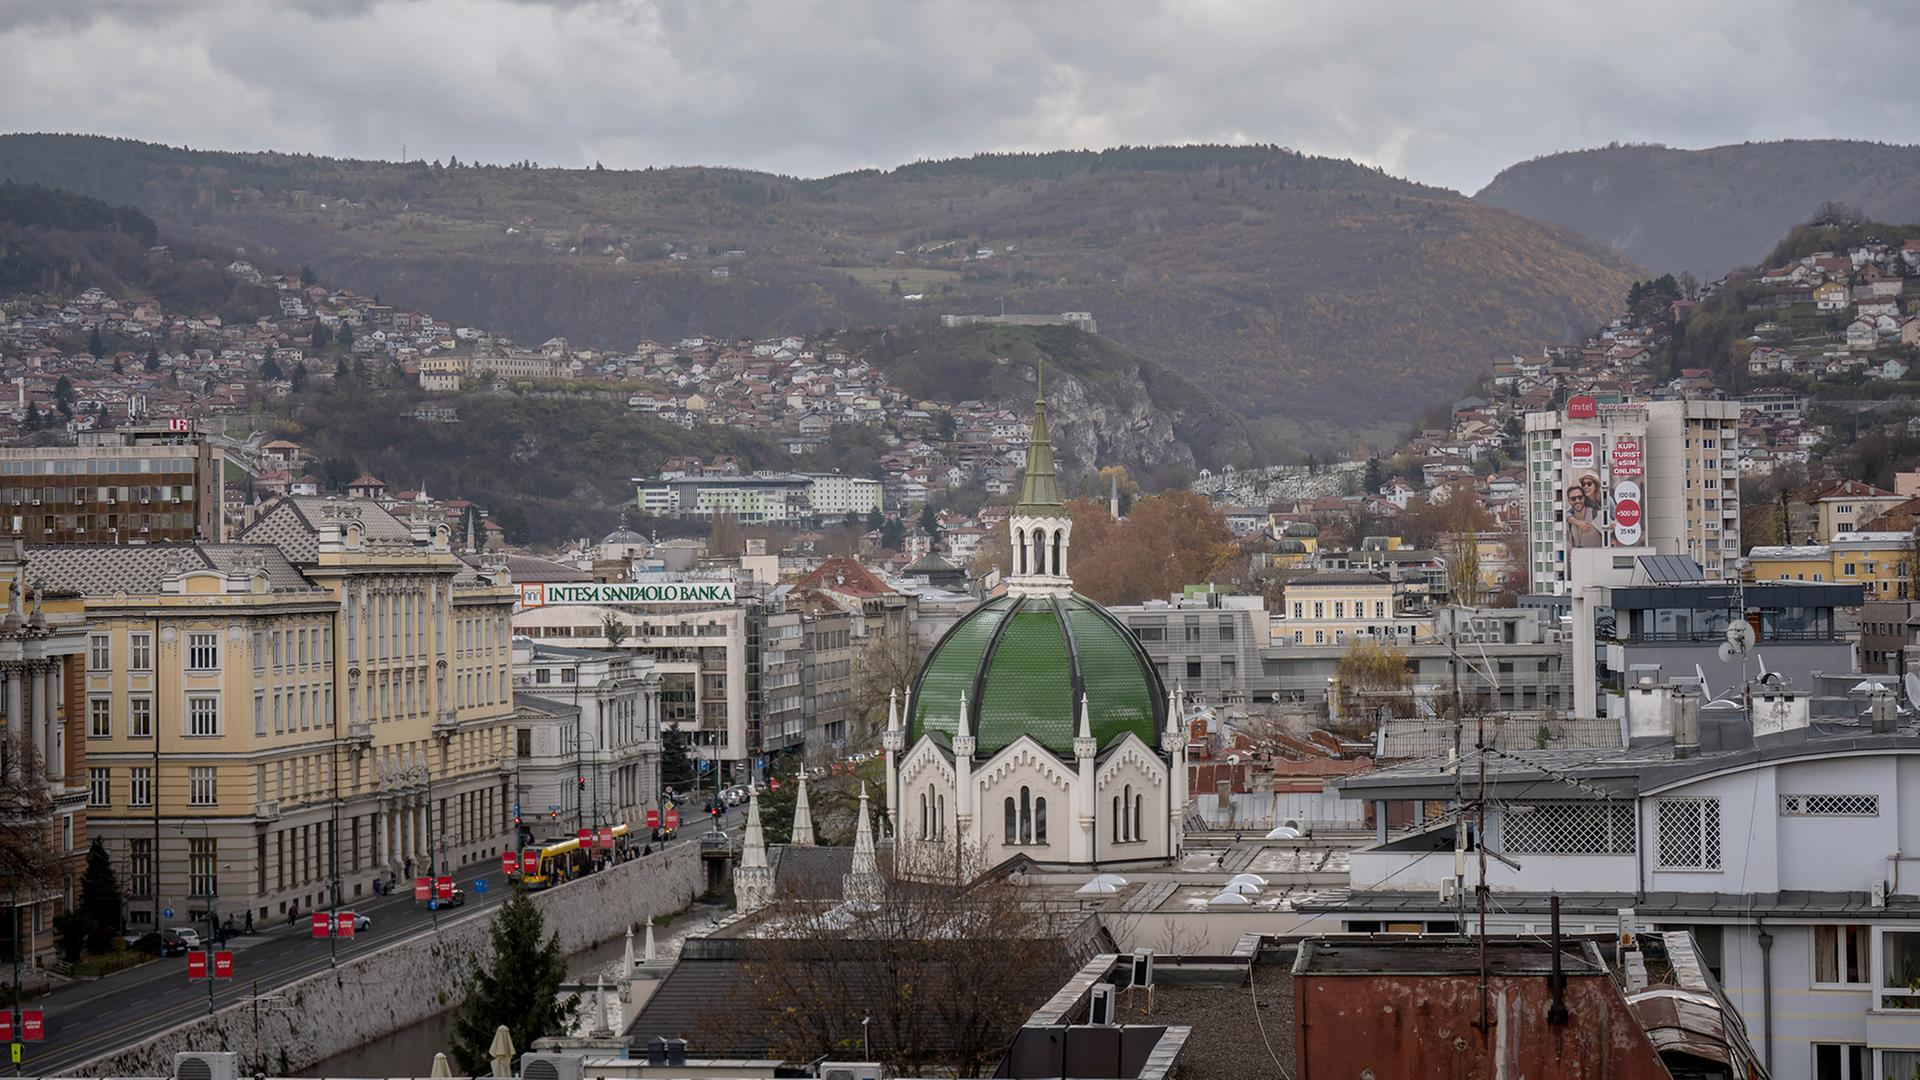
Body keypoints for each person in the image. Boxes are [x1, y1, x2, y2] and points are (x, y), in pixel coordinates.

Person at [1565, 476, 1605, 549]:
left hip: (1597, 559)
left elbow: (1612, 534)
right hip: (1580, 559)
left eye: (1580, 497)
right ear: (1569, 500)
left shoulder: (1596, 515)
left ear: (1584, 498)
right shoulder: (1570, 521)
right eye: (1573, 498)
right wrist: (1577, 522)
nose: (1577, 501)